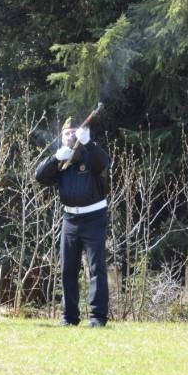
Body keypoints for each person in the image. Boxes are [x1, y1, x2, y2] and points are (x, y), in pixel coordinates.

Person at [35, 118, 111, 327]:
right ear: (62, 136)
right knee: (68, 269)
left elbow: (104, 163)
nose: (70, 136)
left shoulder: (90, 154)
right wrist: (54, 159)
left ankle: (97, 317)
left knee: (96, 268)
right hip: (70, 219)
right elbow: (40, 177)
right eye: (67, 133)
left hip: (93, 217)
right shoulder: (61, 159)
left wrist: (89, 143)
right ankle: (69, 317)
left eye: (74, 132)